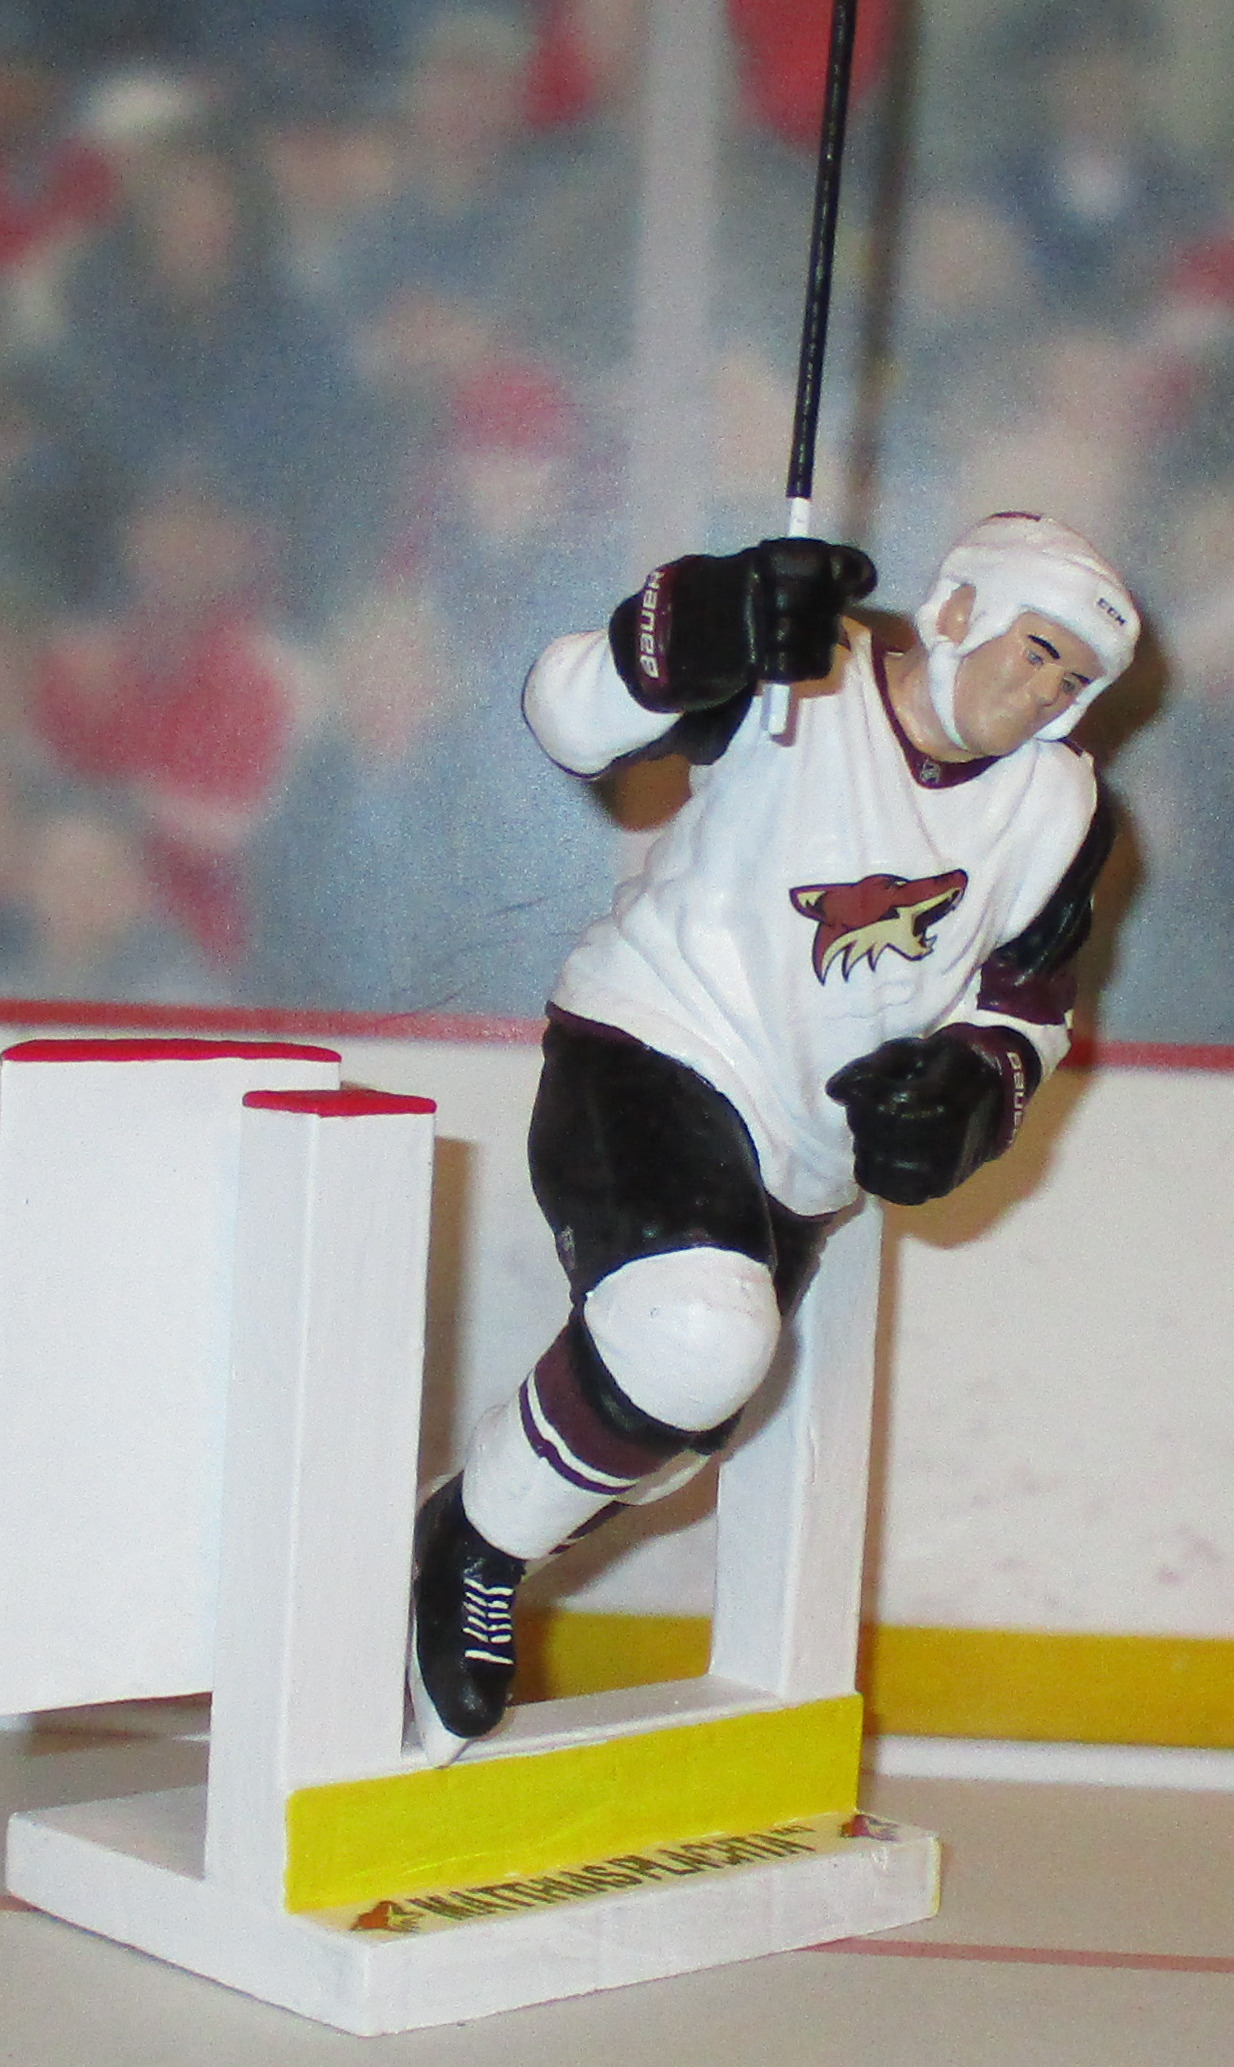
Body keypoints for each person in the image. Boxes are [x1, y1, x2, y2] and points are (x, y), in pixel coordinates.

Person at [410, 510, 1140, 1763]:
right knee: (692, 1338)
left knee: (674, 1435)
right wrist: (700, 622)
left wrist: (976, 1088)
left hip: (804, 1154)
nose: (1043, 694)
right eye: (1034, 651)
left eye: (1071, 679)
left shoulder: (1059, 809)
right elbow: (567, 718)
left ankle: (472, 1524)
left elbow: (1026, 1003)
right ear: (955, 610)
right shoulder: (804, 668)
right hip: (653, 1047)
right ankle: (472, 1551)